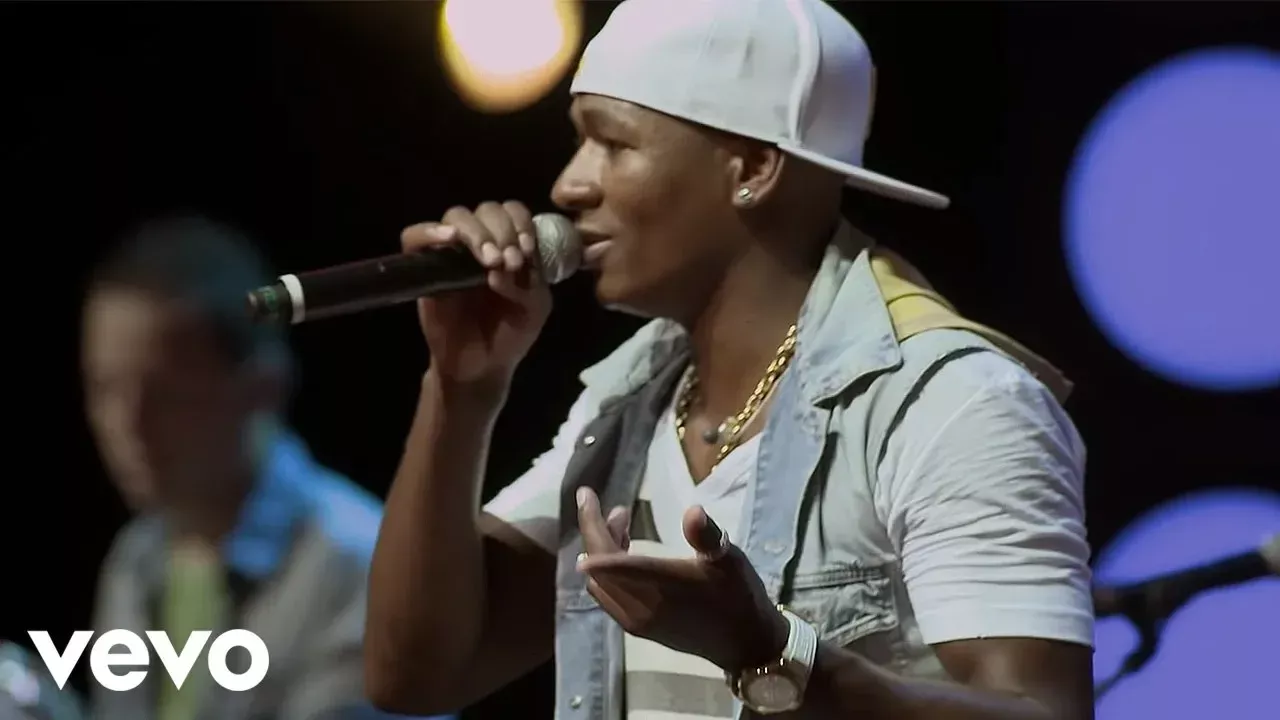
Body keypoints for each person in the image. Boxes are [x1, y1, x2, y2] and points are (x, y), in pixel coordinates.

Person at [365, 1, 1095, 719]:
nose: (567, 186)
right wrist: (461, 389)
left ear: (753, 167)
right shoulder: (630, 403)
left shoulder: (950, 403)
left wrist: (770, 652)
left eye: (612, 143)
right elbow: (413, 677)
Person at [81, 216, 452, 720]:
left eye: (166, 394)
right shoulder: (137, 557)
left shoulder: (359, 567)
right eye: (105, 388)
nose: (127, 424)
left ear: (263, 386)